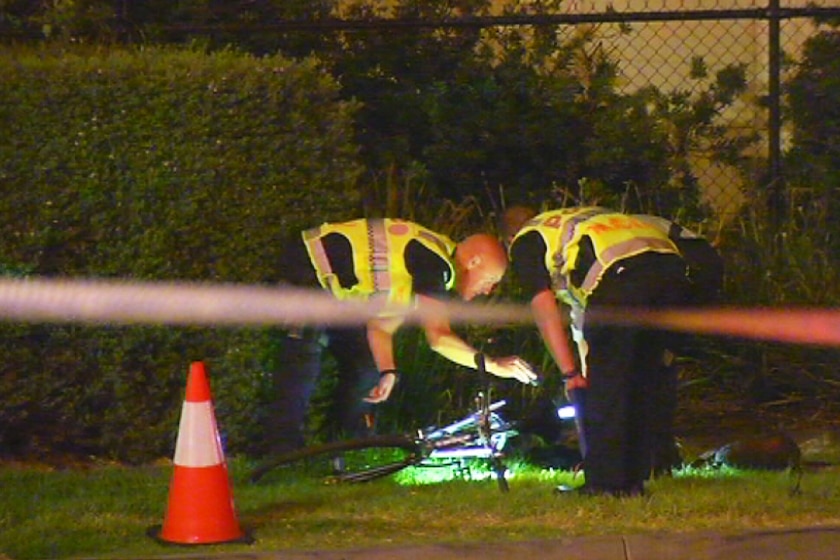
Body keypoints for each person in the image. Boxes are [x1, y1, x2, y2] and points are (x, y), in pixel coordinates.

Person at [267, 217, 538, 455]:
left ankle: (347, 447)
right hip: (307, 270)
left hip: (328, 287)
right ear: (473, 261)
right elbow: (439, 337)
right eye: (490, 280)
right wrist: (493, 365)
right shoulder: (436, 264)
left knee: (365, 366)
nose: (488, 290)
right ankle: (282, 452)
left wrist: (387, 371)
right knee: (303, 353)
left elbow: (381, 327)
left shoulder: (427, 261)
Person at [502, 205, 722, 497]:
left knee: (607, 390)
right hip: (672, 275)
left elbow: (544, 309)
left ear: (509, 238)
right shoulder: (586, 220)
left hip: (621, 279)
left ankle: (605, 484)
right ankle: (634, 480)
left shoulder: (527, 239)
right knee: (640, 380)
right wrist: (584, 368)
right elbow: (585, 325)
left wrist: (570, 374)